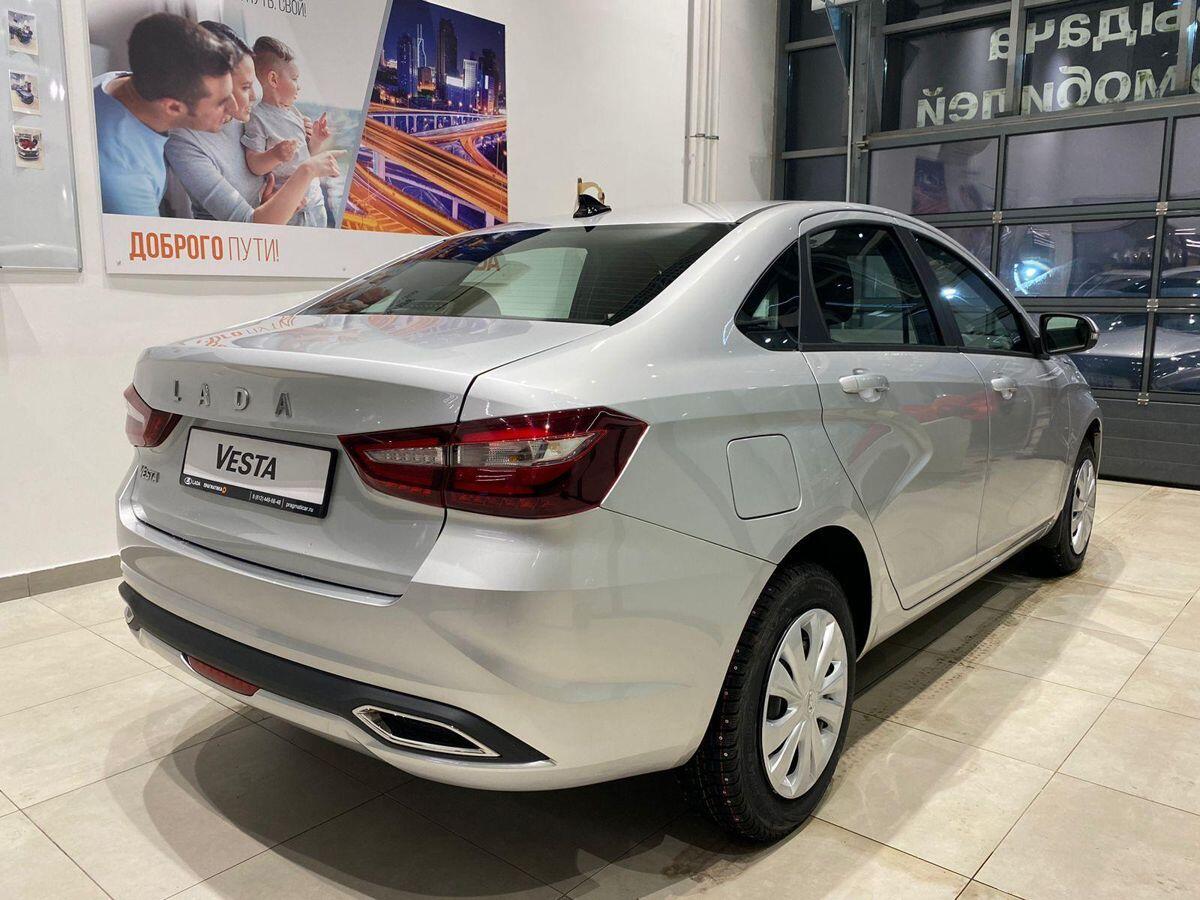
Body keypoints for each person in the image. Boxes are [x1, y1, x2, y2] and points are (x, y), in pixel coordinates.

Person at [163, 22, 342, 225]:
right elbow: (248, 223)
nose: (254, 96)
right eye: (245, 86)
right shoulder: (183, 145)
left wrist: (306, 138)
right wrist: (308, 170)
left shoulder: (248, 114)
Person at [93, 13, 237, 216]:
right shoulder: (125, 178)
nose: (234, 107)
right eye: (221, 102)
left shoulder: (119, 81)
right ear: (173, 108)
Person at [242, 36, 332, 227]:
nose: (299, 86)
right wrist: (275, 155)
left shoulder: (295, 113)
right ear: (273, 79)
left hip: (315, 202)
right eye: (295, 79)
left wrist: (316, 139)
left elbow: (306, 157)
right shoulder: (257, 117)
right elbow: (254, 164)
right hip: (291, 210)